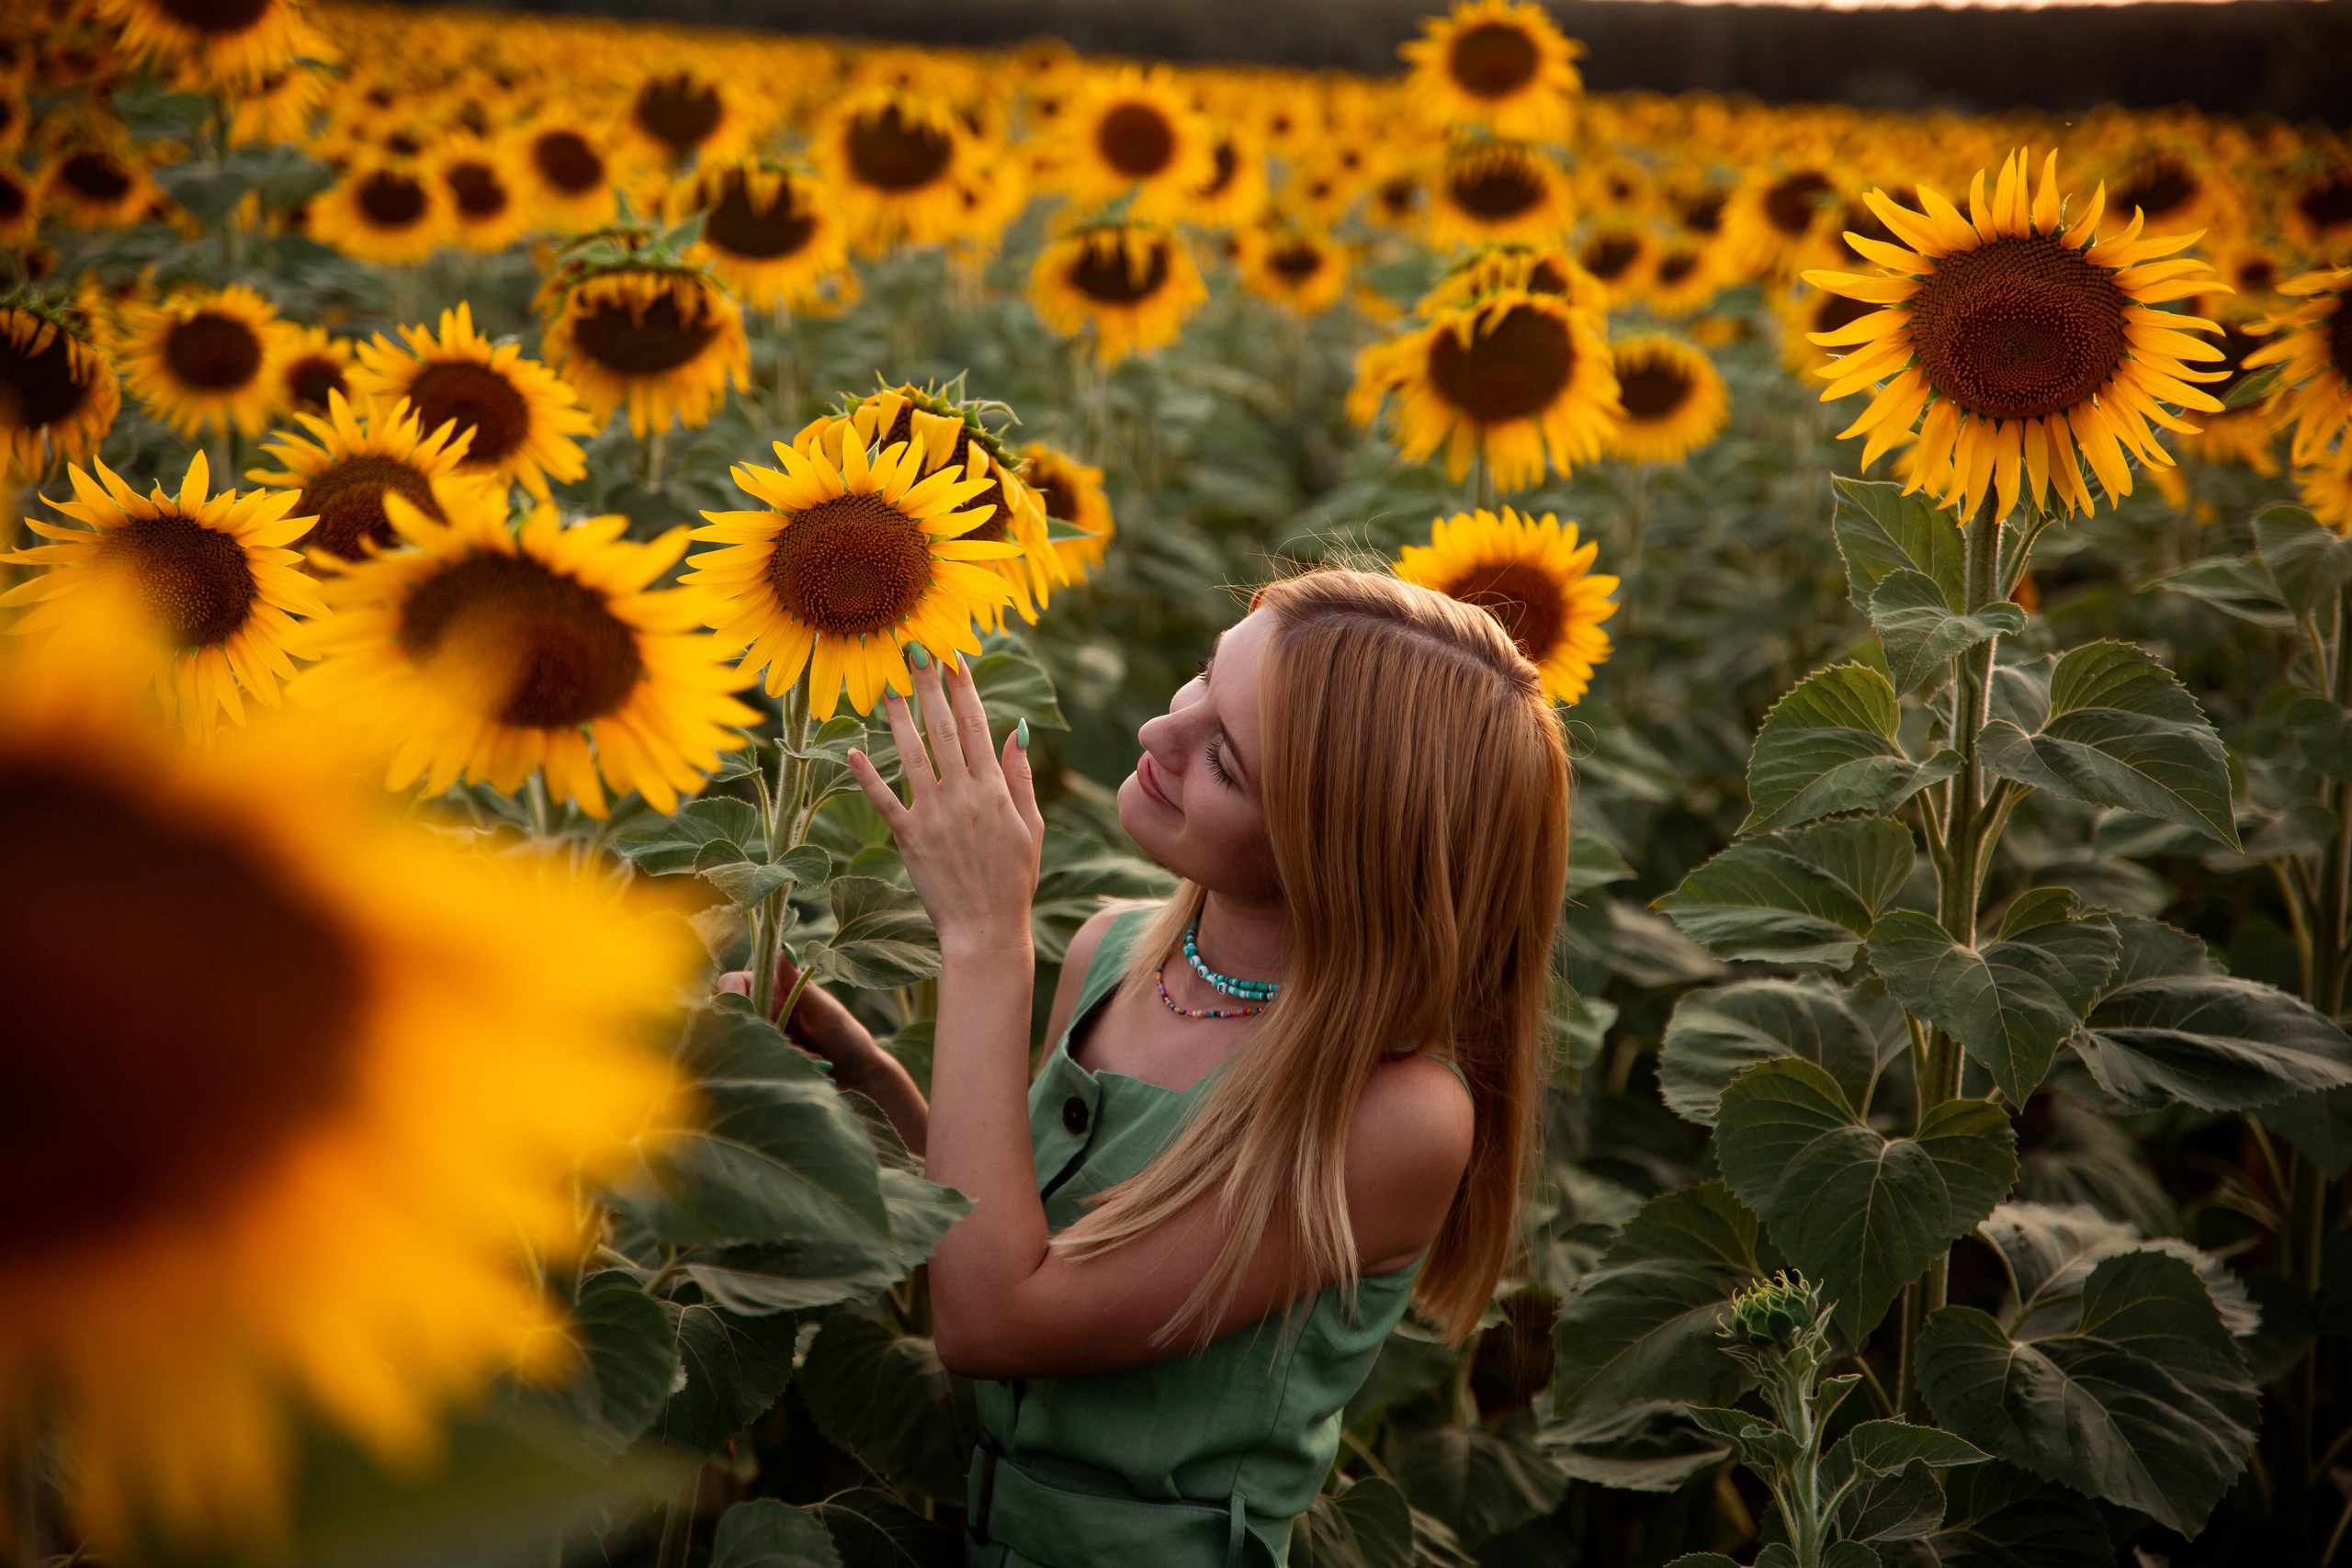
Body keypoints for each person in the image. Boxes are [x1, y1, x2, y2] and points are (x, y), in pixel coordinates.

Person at [727, 568, 1572, 1567]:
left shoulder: (1391, 1113)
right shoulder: (1117, 953)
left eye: (1222, 757)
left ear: (1337, 850)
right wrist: (869, 1077)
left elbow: (996, 1319)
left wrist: (987, 942)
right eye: (1200, 681)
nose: (1156, 737)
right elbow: (1010, 1227)